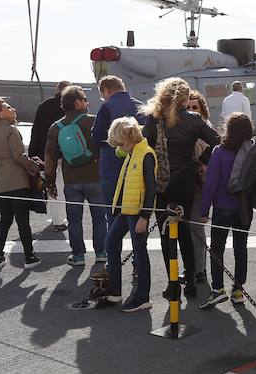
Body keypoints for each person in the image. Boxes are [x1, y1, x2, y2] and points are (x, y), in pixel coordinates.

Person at [143, 78, 220, 299]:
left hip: (161, 183)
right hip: (186, 181)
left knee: (166, 233)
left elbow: (147, 151)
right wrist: (198, 157)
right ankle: (192, 279)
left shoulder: (152, 119)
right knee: (185, 229)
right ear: (185, 98)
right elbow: (216, 142)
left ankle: (173, 283)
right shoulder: (194, 120)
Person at [196, 112, 256, 307]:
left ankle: (218, 288)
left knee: (217, 249)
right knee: (241, 248)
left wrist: (204, 210)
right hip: (245, 207)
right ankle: (238, 289)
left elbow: (211, 183)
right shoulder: (253, 150)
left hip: (223, 207)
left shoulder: (220, 151)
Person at [44, 85, 104, 267]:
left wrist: (50, 182)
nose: (87, 102)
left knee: (74, 220)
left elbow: (50, 156)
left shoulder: (56, 127)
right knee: (100, 218)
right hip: (95, 178)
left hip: (71, 180)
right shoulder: (94, 121)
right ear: (78, 103)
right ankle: (101, 253)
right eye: (85, 99)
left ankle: (78, 256)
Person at [102, 116, 156, 312]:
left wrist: (145, 215)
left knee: (140, 253)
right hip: (127, 209)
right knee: (111, 241)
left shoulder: (146, 154)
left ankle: (142, 297)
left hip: (136, 212)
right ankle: (114, 291)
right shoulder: (134, 151)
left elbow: (151, 188)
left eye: (120, 143)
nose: (119, 147)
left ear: (129, 138)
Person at [90, 76, 139, 272]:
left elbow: (96, 137)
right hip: (136, 168)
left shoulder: (107, 107)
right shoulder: (139, 106)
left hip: (112, 169)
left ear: (106, 90)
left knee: (112, 216)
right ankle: (138, 263)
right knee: (136, 219)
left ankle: (113, 263)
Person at [0, 98, 42, 267]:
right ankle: (29, 257)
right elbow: (19, 156)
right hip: (17, 180)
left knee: (5, 220)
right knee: (23, 221)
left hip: (1, 181)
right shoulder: (11, 130)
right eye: (8, 107)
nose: (13, 109)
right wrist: (36, 166)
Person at [29, 81, 71, 232]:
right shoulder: (70, 106)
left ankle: (56, 218)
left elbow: (36, 131)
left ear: (56, 90)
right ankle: (60, 219)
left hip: (46, 154)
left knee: (51, 187)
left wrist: (33, 154)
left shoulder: (44, 105)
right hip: (66, 154)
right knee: (63, 187)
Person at [185, 91, 214, 289]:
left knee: (196, 227)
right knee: (186, 229)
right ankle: (191, 268)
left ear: (202, 110)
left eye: (195, 108)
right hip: (184, 185)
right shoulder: (181, 127)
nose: (191, 111)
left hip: (200, 185)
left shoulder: (207, 130)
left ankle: (199, 270)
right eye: (187, 108)